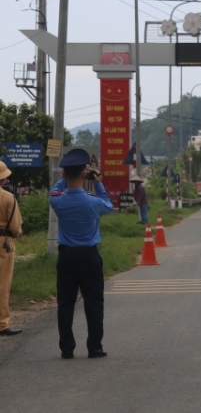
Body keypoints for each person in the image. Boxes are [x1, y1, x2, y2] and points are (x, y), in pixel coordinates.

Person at [49, 148, 113, 359]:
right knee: (94, 301)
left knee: (65, 302)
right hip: (89, 257)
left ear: (65, 175)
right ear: (85, 174)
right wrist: (97, 181)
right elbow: (108, 204)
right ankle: (94, 347)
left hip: (66, 257)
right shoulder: (93, 203)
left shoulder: (57, 201)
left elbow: (56, 189)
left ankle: (67, 347)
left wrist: (65, 176)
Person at [0, 162, 23, 337]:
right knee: (2, 284)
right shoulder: (8, 197)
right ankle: (2, 323)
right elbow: (15, 228)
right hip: (4, 243)